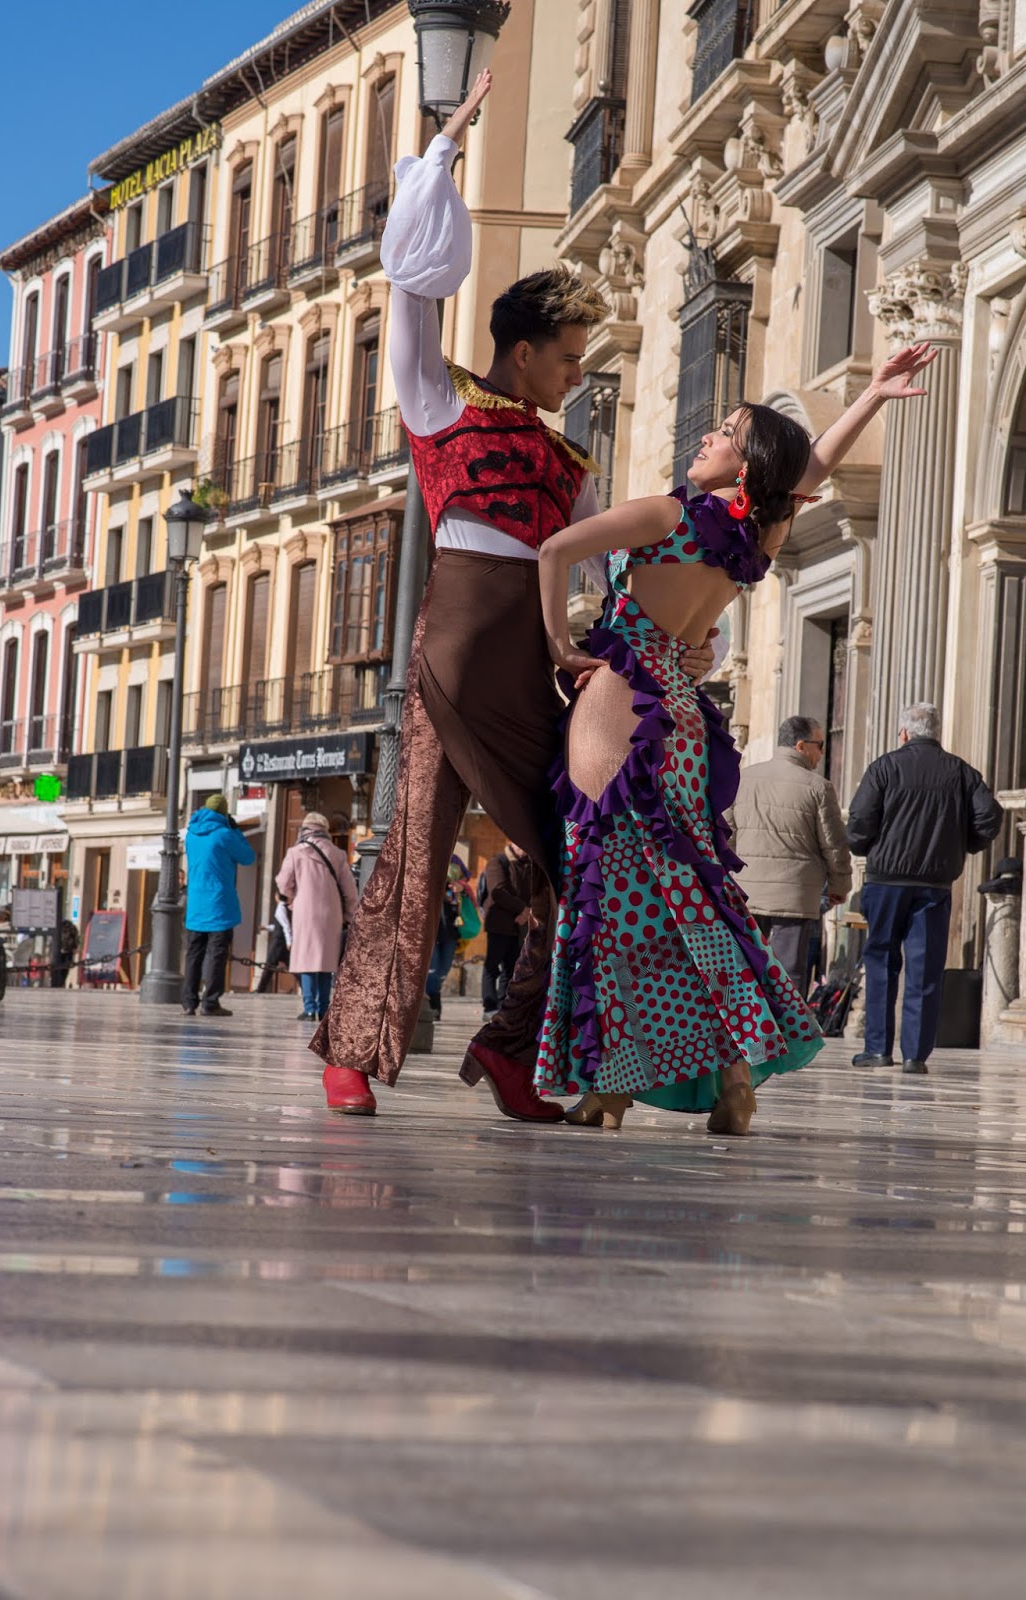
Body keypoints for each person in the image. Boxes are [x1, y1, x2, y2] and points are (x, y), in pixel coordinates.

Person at [311, 70, 716, 1119]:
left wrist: (670, 639)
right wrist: (440, 156)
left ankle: (511, 1051)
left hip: (528, 672)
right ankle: (353, 1051)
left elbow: (601, 579)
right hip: (447, 663)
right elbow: (408, 296)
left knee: (578, 860)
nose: (578, 374)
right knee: (411, 855)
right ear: (523, 348)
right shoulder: (442, 398)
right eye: (569, 357)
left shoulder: (571, 462)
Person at [534, 341, 938, 1135]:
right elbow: (807, 471)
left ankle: (612, 1088)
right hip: (684, 711)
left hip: (622, 703)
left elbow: (553, 551)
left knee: (611, 895)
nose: (708, 437)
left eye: (724, 432)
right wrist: (874, 397)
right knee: (691, 895)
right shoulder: (757, 539)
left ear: (744, 466)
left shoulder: (670, 514)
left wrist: (559, 648)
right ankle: (729, 1074)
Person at [847, 703, 1002, 1074]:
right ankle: (916, 1055)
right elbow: (989, 817)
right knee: (926, 966)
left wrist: (865, 847)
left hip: (886, 881)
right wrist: (962, 846)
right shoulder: (960, 771)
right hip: (935, 883)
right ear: (936, 734)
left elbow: (859, 822)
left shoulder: (884, 767)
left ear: (904, 733)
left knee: (881, 960)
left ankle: (878, 1049)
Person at [724, 715, 851, 998]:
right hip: (795, 898)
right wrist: (840, 886)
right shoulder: (819, 788)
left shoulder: (744, 778)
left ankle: (749, 1033)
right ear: (801, 745)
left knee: (746, 968)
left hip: (747, 893)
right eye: (819, 745)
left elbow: (725, 834)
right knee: (788, 973)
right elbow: (834, 845)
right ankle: (786, 1036)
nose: (822, 754)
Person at [277, 813, 358, 1025]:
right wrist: (350, 915)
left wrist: (292, 896)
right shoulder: (338, 854)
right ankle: (323, 1009)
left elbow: (283, 883)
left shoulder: (295, 852)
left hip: (305, 911)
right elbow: (349, 889)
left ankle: (308, 1008)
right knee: (326, 960)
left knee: (306, 959)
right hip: (331, 913)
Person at [182, 793, 255, 1017]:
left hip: (195, 904)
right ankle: (210, 1002)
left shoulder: (191, 835)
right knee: (216, 954)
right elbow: (248, 857)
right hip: (219, 904)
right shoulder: (224, 834)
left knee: (194, 953)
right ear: (224, 813)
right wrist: (235, 830)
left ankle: (188, 1002)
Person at [481, 844, 535, 1016]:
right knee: (492, 966)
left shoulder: (530, 864)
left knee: (511, 968)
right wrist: (523, 909)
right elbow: (498, 890)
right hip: (499, 924)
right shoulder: (498, 861)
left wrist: (527, 912)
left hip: (519, 926)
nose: (524, 848)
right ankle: (489, 1006)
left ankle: (503, 1006)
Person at [427, 856, 479, 1020]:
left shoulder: (454, 859)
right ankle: (433, 1006)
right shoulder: (427, 857)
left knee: (444, 970)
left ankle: (432, 999)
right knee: (432, 970)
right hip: (430, 927)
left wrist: (460, 887)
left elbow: (465, 877)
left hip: (451, 927)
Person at [256, 890, 292, 994]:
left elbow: (286, 926)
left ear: (277, 896)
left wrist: (289, 942)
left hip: (278, 941)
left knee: (269, 965)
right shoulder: (286, 907)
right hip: (282, 940)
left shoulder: (280, 908)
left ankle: (260, 989)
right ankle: (306, 987)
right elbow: (278, 926)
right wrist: (266, 928)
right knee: (291, 966)